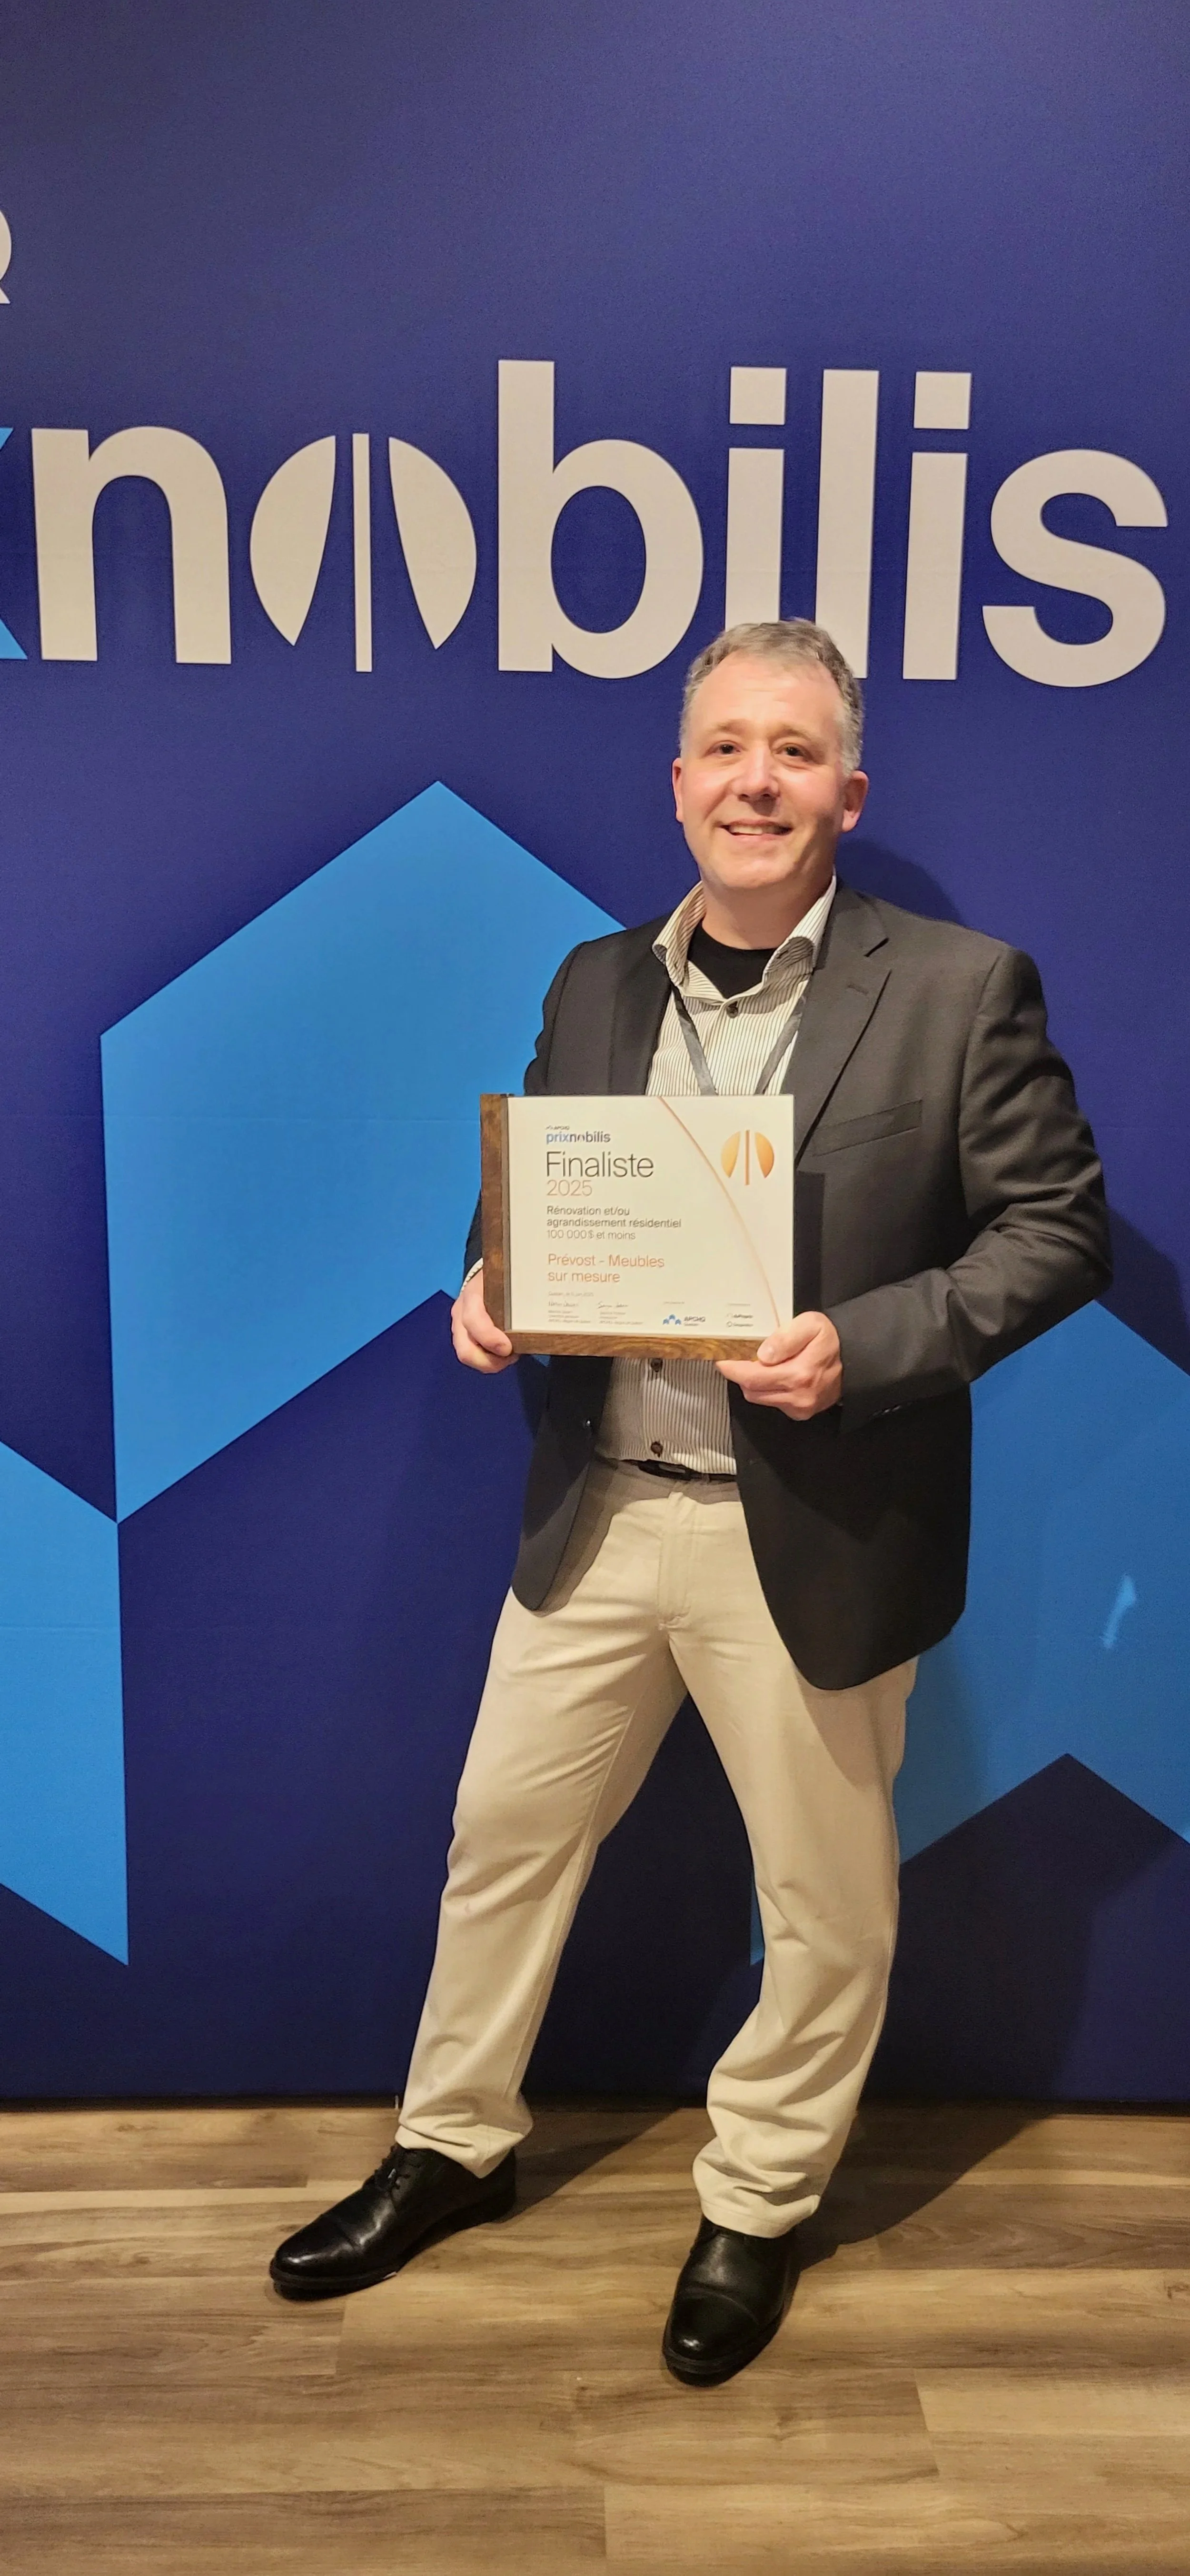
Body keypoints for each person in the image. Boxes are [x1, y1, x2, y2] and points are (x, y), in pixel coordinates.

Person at [271, 619, 1110, 2383]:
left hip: (804, 1530)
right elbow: (545, 1203)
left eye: (792, 752)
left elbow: (1056, 1236)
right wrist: (492, 1281)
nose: (755, 780)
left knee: (820, 1901)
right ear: (676, 785)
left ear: (847, 791)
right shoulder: (594, 982)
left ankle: (756, 2198)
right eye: (724, 748)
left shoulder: (961, 986)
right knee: (502, 1841)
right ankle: (453, 2145)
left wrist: (864, 1343)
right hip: (600, 1507)